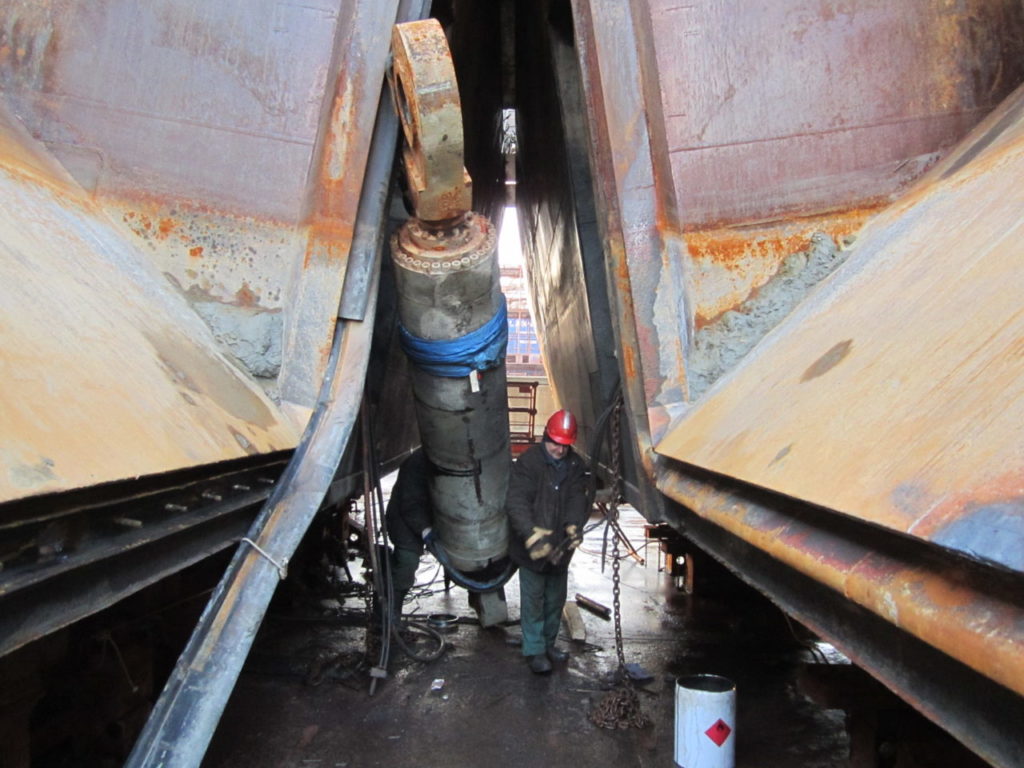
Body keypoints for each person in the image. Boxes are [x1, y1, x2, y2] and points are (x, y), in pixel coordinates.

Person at [507, 409, 592, 674]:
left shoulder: (575, 465)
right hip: (531, 548)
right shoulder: (529, 462)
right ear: (546, 436)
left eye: (565, 445)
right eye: (556, 443)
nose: (560, 450)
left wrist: (573, 524)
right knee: (533, 601)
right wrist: (531, 535)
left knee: (555, 599)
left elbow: (577, 498)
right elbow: (516, 502)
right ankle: (534, 651)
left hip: (560, 549)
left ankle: (548, 644)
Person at [384, 448, 435, 622]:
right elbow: (410, 504)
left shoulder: (447, 459)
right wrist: (426, 530)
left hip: (428, 517)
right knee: (407, 563)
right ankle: (391, 614)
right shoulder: (417, 463)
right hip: (404, 520)